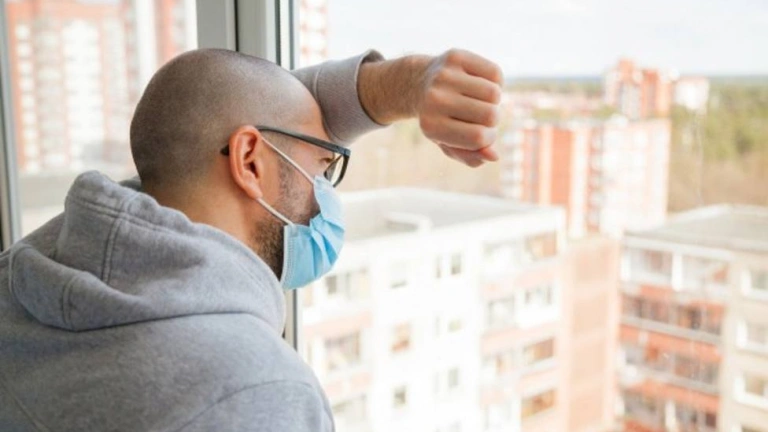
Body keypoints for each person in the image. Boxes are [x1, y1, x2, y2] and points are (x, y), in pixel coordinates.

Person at [0, 48, 503, 431]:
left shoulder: (27, 275)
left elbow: (210, 111)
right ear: (250, 162)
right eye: (322, 166)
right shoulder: (258, 391)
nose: (324, 193)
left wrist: (411, 83)